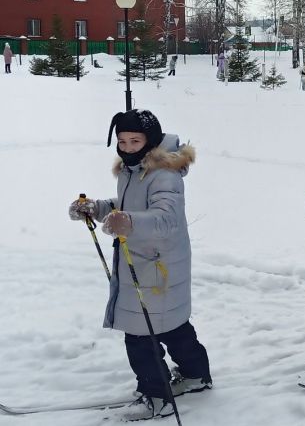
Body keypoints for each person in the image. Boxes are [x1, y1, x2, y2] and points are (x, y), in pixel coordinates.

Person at [67, 109, 212, 421]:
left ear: (152, 141)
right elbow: (128, 206)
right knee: (173, 327)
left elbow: (166, 218)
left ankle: (156, 395)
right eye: (122, 141)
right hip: (149, 265)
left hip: (156, 267)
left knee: (140, 335)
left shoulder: (164, 174)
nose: (128, 147)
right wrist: (99, 208)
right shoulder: (132, 171)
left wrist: (128, 221)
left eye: (135, 140)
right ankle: (196, 374)